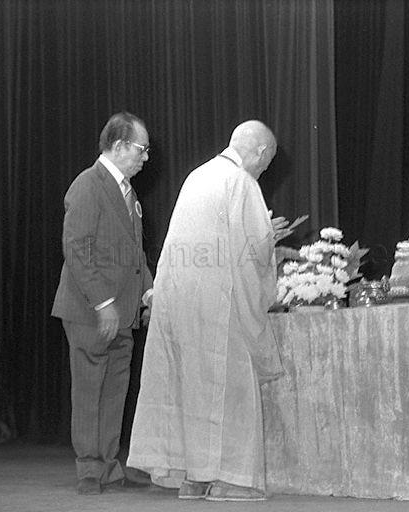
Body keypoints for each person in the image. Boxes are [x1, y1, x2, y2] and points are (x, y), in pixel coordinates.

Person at [127, 120, 292, 501]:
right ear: (261, 153)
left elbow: (181, 245)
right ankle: (231, 481)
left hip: (180, 303)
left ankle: (193, 478)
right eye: (266, 165)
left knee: (193, 390)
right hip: (221, 306)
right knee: (230, 389)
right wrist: (270, 246)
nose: (263, 171)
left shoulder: (196, 177)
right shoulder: (242, 183)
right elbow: (251, 255)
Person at [51, 112, 154, 495]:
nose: (146, 157)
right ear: (119, 146)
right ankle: (89, 469)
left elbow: (134, 255)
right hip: (91, 312)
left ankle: (109, 466)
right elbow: (77, 250)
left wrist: (149, 291)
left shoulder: (129, 193)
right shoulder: (87, 185)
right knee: (90, 389)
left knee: (114, 391)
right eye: (141, 149)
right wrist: (103, 303)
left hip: (123, 314)